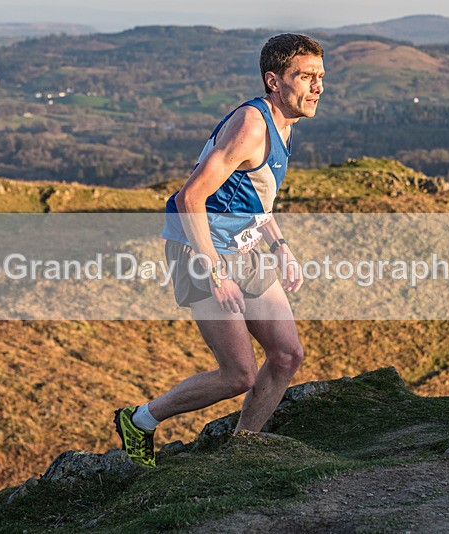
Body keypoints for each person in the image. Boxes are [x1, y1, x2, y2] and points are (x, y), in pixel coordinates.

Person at [114, 33, 325, 467]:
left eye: (320, 76)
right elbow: (191, 198)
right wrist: (216, 272)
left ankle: (241, 450)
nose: (317, 87)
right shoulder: (252, 126)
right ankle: (140, 420)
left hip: (244, 249)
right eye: (305, 77)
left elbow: (254, 198)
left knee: (287, 355)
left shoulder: (286, 120)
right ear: (274, 81)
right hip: (200, 247)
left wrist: (281, 247)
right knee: (239, 374)